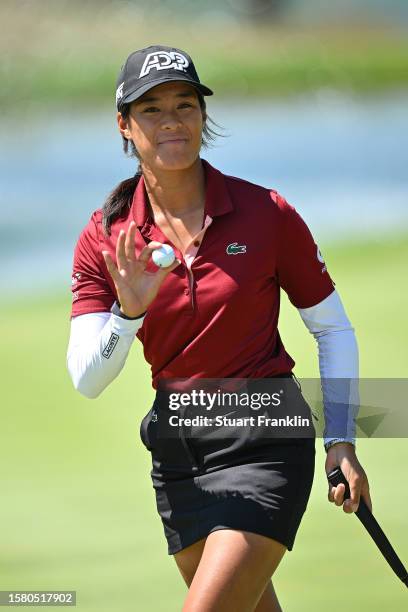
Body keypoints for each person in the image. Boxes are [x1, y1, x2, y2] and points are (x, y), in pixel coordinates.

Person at [66, 45, 372, 612]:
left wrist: (342, 440)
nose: (172, 121)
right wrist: (127, 313)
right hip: (179, 451)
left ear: (203, 117)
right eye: (152, 110)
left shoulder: (266, 213)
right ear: (124, 126)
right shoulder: (105, 237)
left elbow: (332, 330)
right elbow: (87, 378)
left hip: (267, 439)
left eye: (185, 104)